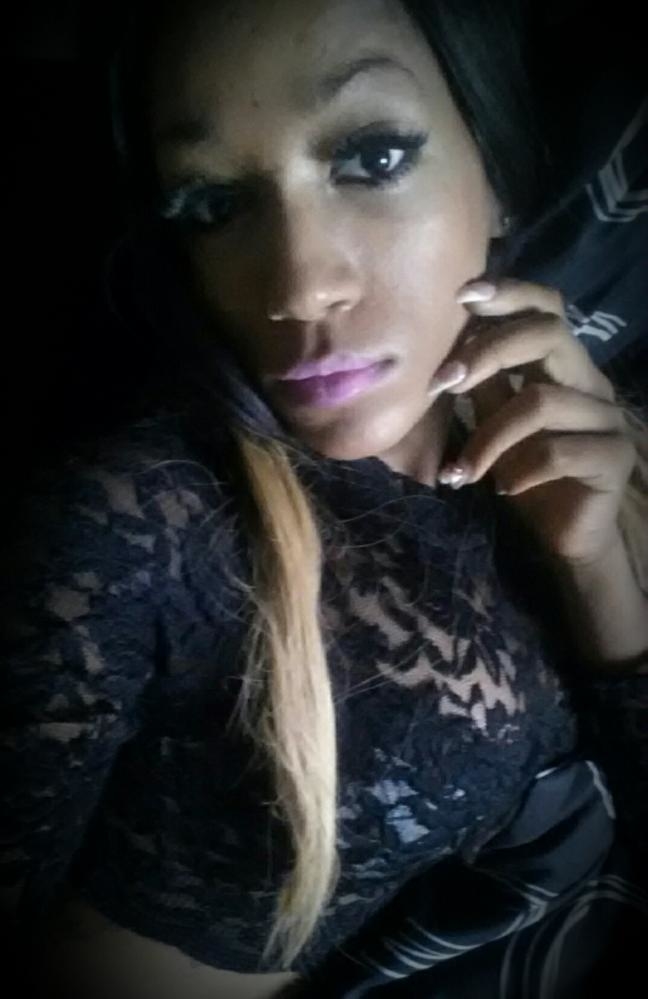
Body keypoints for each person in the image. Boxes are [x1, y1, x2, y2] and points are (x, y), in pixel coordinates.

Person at [1, 1, 647, 997]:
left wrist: (595, 564)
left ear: (500, 178)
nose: (298, 286)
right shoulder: (135, 528)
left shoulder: (596, 439)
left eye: (373, 158)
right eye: (212, 203)